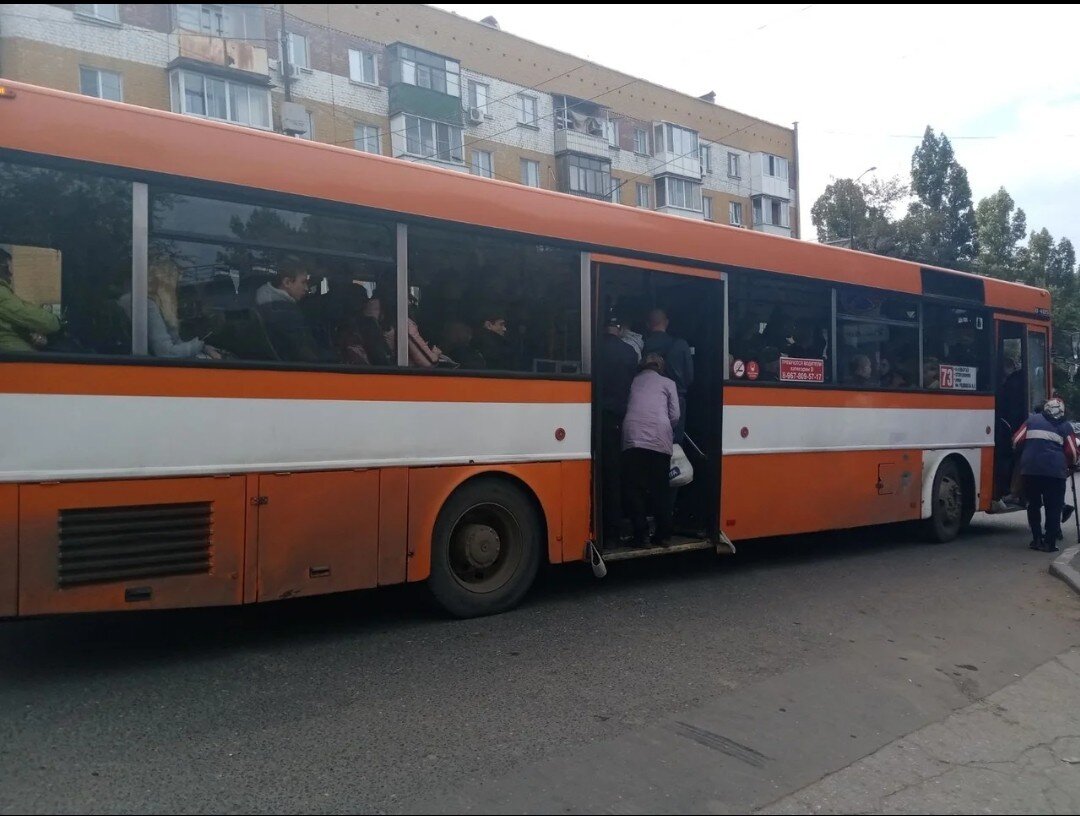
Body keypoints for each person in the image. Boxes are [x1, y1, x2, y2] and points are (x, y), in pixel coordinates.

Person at [622, 353, 680, 548]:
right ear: (660, 367)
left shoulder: (632, 382)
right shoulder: (668, 383)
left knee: (634, 489)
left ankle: (641, 536)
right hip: (659, 438)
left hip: (633, 438)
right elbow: (675, 415)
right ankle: (663, 535)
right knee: (660, 489)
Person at [1012, 397, 1079, 552]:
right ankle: (1049, 542)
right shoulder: (1065, 426)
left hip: (1030, 471)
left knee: (1033, 505)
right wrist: (1071, 465)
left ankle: (1036, 539)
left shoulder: (1032, 421)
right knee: (1053, 507)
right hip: (1055, 473)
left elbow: (1016, 440)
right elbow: (1073, 453)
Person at [120, 257, 222, 359]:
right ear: (165, 283)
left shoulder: (148, 302)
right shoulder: (146, 305)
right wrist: (199, 345)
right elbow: (167, 353)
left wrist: (203, 347)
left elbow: (175, 342)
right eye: (175, 282)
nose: (176, 288)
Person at [598, 311, 639, 545]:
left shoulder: (594, 349)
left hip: (594, 416)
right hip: (617, 418)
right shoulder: (629, 352)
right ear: (620, 328)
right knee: (613, 473)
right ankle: (612, 527)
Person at [255, 260, 330, 363]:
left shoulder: (262, 303)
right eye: (303, 282)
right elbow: (305, 354)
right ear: (287, 282)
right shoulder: (287, 314)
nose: (306, 288)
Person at [643, 308, 693, 443]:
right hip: (677, 399)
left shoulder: (642, 345)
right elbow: (689, 377)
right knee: (674, 443)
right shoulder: (681, 345)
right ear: (667, 322)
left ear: (648, 324)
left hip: (647, 400)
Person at [0, 246, 61, 352]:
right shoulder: (1, 294)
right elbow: (47, 323)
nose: (11, 273)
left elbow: (13, 321)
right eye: (7, 267)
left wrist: (31, 336)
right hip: (13, 359)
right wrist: (56, 321)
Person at [993, 355, 1028, 508]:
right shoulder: (1020, 381)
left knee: (1007, 459)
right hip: (1011, 427)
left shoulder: (1010, 383)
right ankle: (1014, 492)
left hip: (1007, 426)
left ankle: (1010, 491)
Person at [474, 304, 513, 370]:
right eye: (501, 324)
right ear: (488, 325)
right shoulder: (491, 346)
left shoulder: (476, 342)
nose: (504, 329)